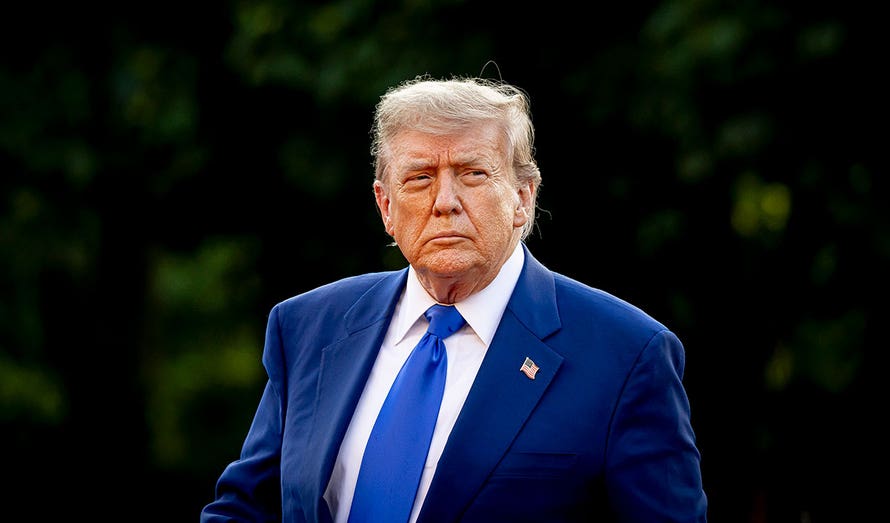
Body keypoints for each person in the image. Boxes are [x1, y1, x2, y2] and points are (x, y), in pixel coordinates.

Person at [201, 74, 708, 522]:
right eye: (420, 178)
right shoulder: (309, 327)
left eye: (473, 174)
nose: (445, 202)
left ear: (523, 197)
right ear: (385, 205)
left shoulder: (626, 355)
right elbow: (245, 509)